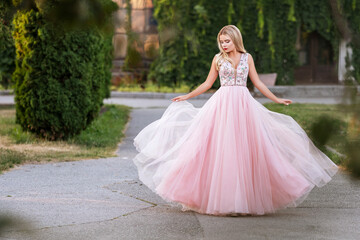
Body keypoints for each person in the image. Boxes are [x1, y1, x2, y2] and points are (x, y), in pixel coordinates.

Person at [133, 25, 338, 216]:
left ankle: (246, 199)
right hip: (222, 105)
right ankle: (216, 197)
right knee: (218, 148)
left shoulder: (247, 58)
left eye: (227, 41)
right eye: (221, 41)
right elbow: (207, 83)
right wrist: (188, 96)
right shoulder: (218, 59)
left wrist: (276, 99)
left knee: (247, 149)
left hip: (244, 106)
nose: (224, 44)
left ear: (235, 40)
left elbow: (257, 82)